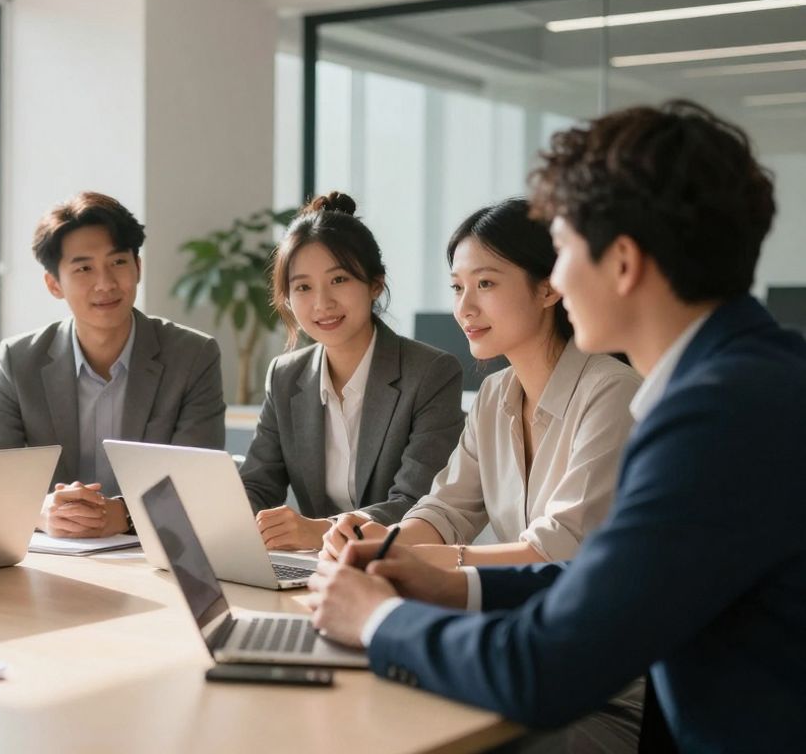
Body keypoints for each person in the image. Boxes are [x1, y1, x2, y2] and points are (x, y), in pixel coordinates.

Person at [308, 100, 806, 752]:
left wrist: (380, 620)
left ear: (622, 263)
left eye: (565, 249)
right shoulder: (750, 379)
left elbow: (543, 666)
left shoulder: (717, 412)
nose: (558, 279)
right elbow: (613, 574)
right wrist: (446, 582)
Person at [327, 197, 642, 568]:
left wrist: (421, 559)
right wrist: (378, 541)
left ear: (548, 289)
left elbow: (561, 547)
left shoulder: (613, 393)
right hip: (518, 608)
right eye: (458, 288)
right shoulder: (494, 395)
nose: (464, 308)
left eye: (486, 283)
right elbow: (446, 510)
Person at [0, 191, 226, 538]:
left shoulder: (193, 356)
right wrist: (38, 512)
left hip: (155, 552)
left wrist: (124, 516)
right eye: (84, 268)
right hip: (54, 557)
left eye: (118, 262)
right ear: (54, 284)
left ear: (138, 267)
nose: (105, 283)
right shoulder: (19, 360)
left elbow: (197, 482)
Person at [240, 191, 465, 551]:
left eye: (339, 280)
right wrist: (235, 525)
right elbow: (257, 486)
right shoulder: (285, 376)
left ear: (375, 283)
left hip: (398, 566)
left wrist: (320, 532)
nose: (322, 303)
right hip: (312, 568)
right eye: (303, 287)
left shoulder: (431, 373)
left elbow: (417, 503)